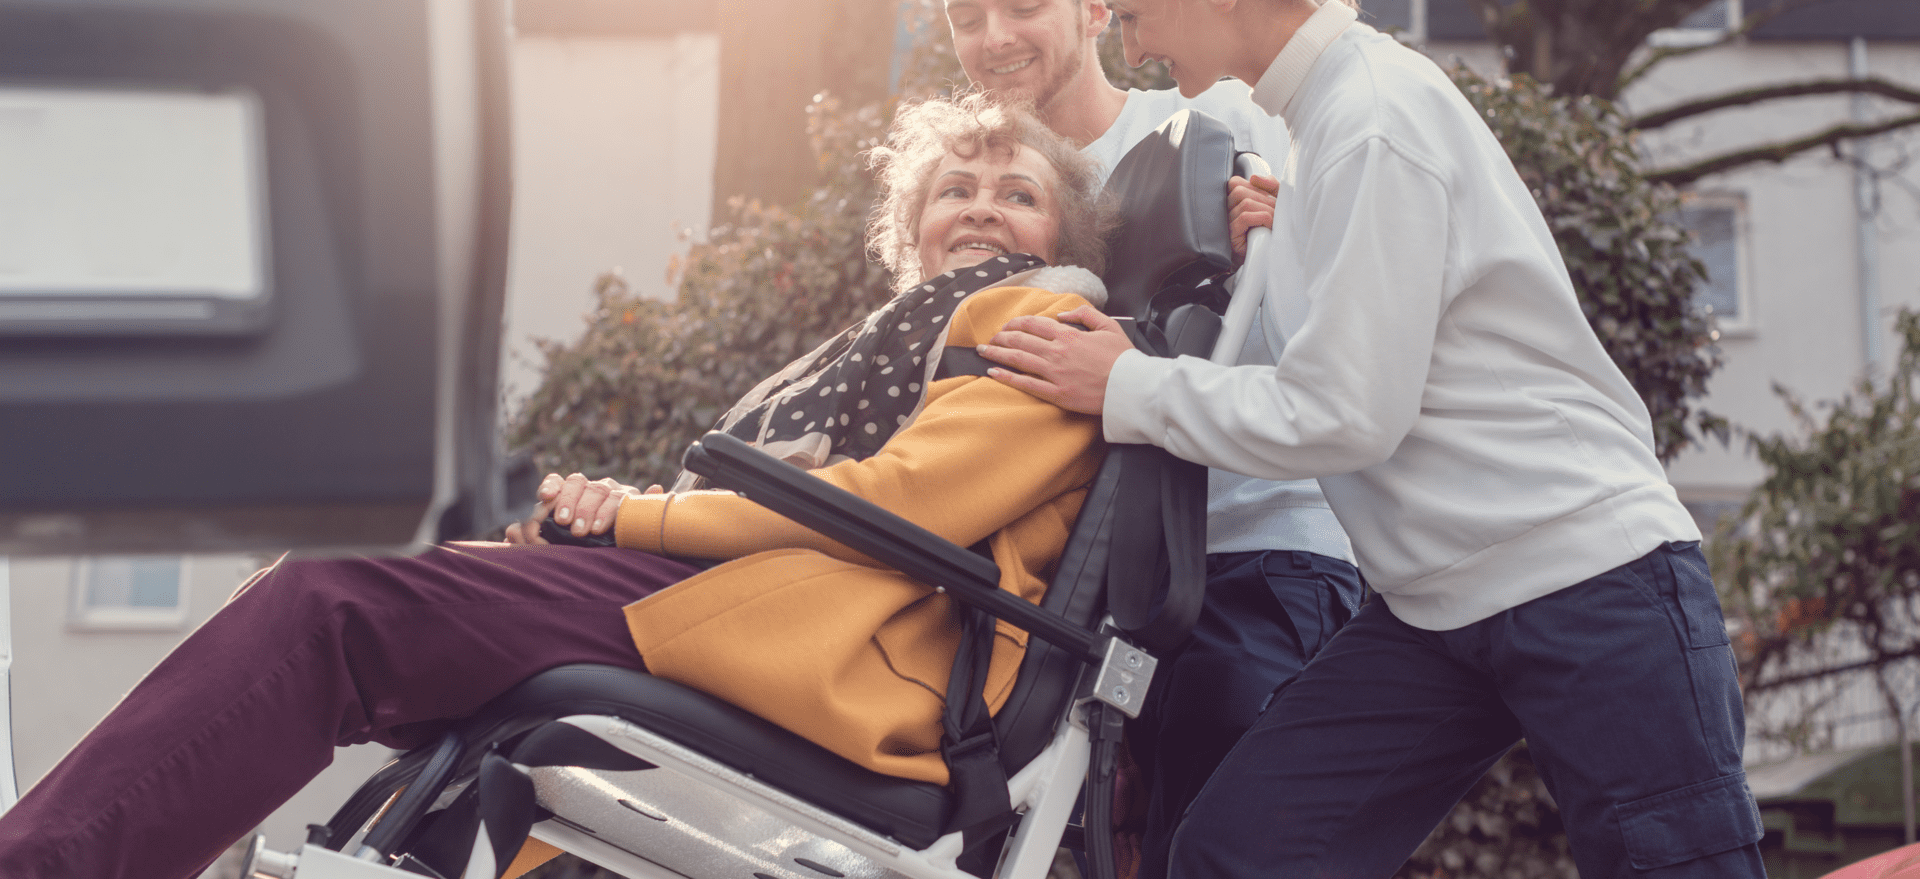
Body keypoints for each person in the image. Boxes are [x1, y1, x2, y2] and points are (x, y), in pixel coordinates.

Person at [0, 94, 1119, 879]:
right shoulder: (881, 339)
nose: (980, 208)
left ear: (1064, 233)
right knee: (373, 594)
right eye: (954, 189)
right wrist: (599, 522)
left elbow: (897, 508)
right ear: (909, 233)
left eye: (1017, 193)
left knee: (336, 599)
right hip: (759, 602)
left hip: (846, 648)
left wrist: (632, 517)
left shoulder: (1044, 320)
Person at [976, 0, 1765, 879]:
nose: (1129, 44)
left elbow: (1347, 415)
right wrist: (1283, 228)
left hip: (1589, 579)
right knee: (1236, 852)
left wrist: (1125, 385)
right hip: (1439, 609)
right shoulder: (1317, 132)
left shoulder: (1372, 120)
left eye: (1129, 12)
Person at [940, 0, 1362, 877]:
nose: (992, 37)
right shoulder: (981, 192)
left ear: (1097, 8)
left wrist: (1289, 232)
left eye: (1021, 4)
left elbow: (1342, 312)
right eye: (966, 16)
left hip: (1247, 558)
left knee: (1217, 839)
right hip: (1074, 594)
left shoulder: (1210, 119)